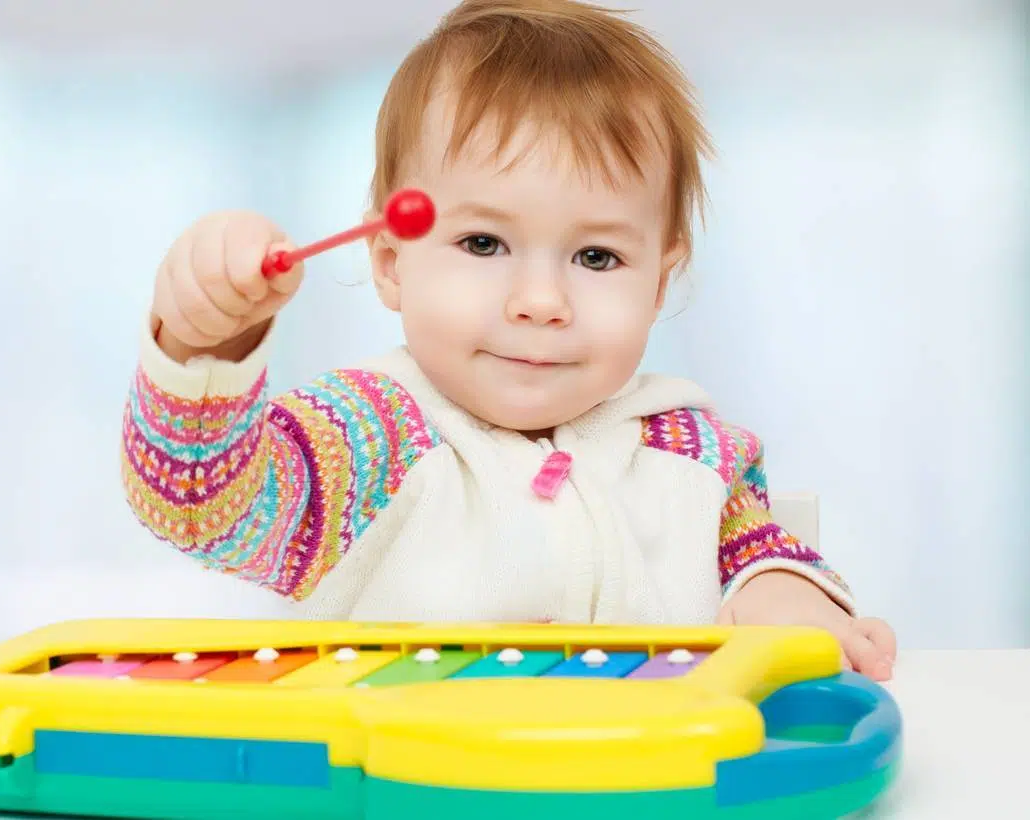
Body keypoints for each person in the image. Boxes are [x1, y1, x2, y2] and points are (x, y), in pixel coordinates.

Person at [121, 0, 896, 679]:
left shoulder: (692, 454)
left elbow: (756, 556)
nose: (540, 302)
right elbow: (201, 508)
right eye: (485, 244)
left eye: (597, 257)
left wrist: (785, 596)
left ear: (658, 285)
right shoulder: (368, 440)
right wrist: (205, 347)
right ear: (392, 262)